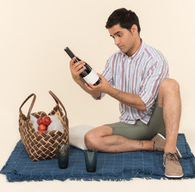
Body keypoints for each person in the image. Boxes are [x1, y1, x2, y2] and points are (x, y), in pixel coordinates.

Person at [69, 8, 183, 178]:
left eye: (119, 35)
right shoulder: (114, 60)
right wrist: (78, 79)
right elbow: (98, 93)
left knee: (170, 84)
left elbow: (143, 104)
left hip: (155, 122)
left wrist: (108, 88)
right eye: (112, 37)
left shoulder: (155, 60)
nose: (116, 41)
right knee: (91, 139)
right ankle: (151, 145)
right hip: (130, 124)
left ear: (134, 29)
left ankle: (170, 152)